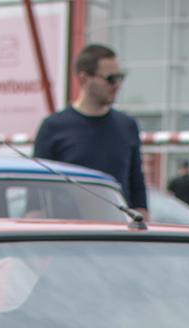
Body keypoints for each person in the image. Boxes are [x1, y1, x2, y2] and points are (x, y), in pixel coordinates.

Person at [32, 43, 148, 215]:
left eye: (120, 77)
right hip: (69, 233)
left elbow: (137, 186)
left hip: (117, 233)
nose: (117, 84)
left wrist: (140, 223)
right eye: (110, 78)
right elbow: (35, 192)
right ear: (84, 79)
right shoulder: (53, 127)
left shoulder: (127, 126)